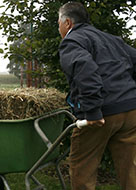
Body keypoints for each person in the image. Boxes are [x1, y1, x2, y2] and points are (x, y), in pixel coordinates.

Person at [58, 2, 136, 190]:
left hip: (101, 114)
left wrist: (92, 110)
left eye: (58, 23)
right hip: (130, 110)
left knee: (82, 166)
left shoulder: (72, 41)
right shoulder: (113, 39)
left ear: (67, 22)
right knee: (131, 169)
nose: (59, 28)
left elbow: (85, 69)